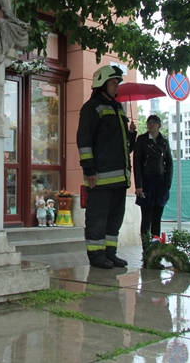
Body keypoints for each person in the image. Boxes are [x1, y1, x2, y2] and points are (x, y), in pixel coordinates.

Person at [76, 65, 137, 269]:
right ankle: (96, 255)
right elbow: (84, 140)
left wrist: (131, 135)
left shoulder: (118, 108)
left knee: (114, 219)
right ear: (101, 83)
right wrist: (89, 169)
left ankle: (110, 253)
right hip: (100, 176)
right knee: (97, 218)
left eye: (117, 83)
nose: (116, 86)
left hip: (120, 178)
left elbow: (120, 145)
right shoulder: (91, 107)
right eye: (113, 82)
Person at [134, 114, 173, 244]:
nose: (150, 125)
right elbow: (137, 163)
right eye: (148, 122)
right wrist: (139, 185)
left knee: (157, 218)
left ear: (159, 125)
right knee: (146, 218)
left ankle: (155, 250)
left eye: (153, 122)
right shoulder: (142, 140)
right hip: (146, 182)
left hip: (160, 183)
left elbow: (169, 162)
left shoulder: (164, 141)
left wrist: (167, 183)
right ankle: (146, 249)